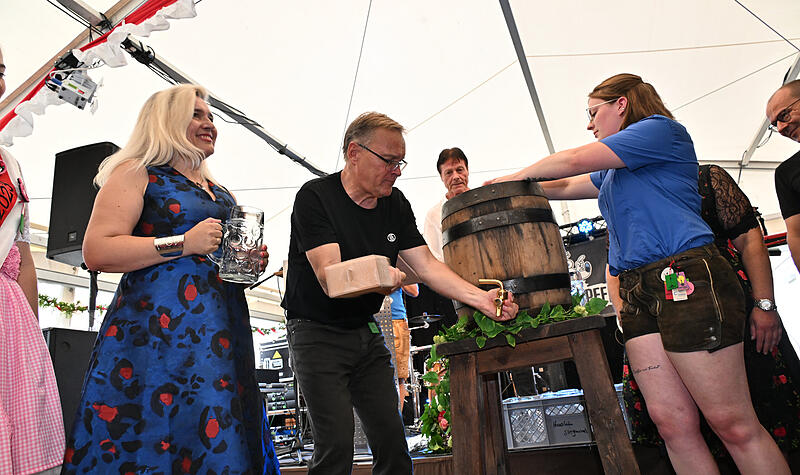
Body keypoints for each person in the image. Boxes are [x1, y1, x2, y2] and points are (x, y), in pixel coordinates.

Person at [487, 73, 790, 474]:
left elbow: (573, 160)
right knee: (672, 425)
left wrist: (513, 175)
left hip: (685, 274)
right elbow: (562, 184)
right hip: (636, 289)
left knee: (732, 423)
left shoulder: (659, 131)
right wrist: (506, 190)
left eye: (593, 113)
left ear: (622, 105)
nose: (590, 124)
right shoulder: (614, 171)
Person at [282, 111, 517, 475]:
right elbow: (331, 278)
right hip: (315, 332)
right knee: (337, 446)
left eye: (400, 161)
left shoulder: (396, 204)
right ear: (353, 152)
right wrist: (383, 274)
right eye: (389, 161)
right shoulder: (315, 197)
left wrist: (480, 298)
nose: (398, 170)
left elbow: (426, 266)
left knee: (393, 441)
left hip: (365, 329)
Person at [61, 85, 280, 474]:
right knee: (159, 428)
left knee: (216, 425)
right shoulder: (137, 173)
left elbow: (216, 264)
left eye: (211, 117)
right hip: (156, 337)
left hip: (222, 334)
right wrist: (184, 242)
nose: (209, 123)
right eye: (196, 115)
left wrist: (247, 263)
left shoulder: (221, 192)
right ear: (167, 120)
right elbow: (97, 250)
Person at [612, 164, 800, 463]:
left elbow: (750, 240)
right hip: (655, 314)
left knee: (739, 417)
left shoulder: (703, 178)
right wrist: (629, 317)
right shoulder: (619, 191)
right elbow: (616, 263)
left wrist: (765, 304)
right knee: (676, 425)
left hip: (721, 305)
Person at [0, 46, 65, 475]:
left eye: (0, 70)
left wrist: (33, 341)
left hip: (10, 322)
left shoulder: (10, 164)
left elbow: (23, 258)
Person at [769, 80, 800, 273]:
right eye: (775, 124)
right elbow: (796, 234)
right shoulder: (786, 173)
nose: (780, 128)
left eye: (784, 114)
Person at [422, 147, 470, 262]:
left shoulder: (483, 202)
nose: (456, 177)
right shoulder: (434, 214)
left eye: (460, 170)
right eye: (449, 172)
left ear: (467, 170)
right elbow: (435, 257)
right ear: (441, 177)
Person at [389, 284, 418, 411]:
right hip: (369, 319)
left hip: (396, 321)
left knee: (399, 377)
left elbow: (414, 291)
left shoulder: (401, 264)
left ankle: (396, 424)